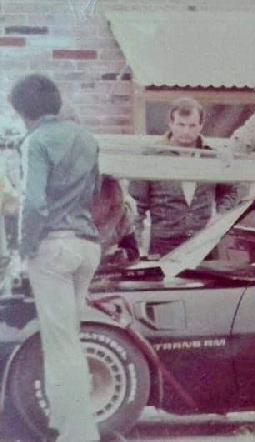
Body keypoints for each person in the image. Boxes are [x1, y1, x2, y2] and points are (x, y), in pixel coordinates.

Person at [9, 73, 101, 441]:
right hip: (86, 244)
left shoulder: (35, 141)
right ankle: (66, 422)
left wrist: (23, 248)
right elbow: (94, 191)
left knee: (60, 343)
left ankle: (78, 433)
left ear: (21, 112)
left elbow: (32, 202)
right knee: (71, 338)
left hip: (53, 247)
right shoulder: (87, 137)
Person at [129, 97, 239, 257]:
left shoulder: (213, 156)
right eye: (181, 124)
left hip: (203, 244)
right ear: (171, 123)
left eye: (192, 125)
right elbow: (136, 204)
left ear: (201, 125)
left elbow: (231, 190)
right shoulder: (152, 155)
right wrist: (137, 246)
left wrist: (220, 218)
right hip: (164, 245)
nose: (186, 131)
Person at [91, 175, 139, 267]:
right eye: (107, 200)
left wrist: (124, 254)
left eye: (117, 205)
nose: (114, 211)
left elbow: (133, 251)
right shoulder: (79, 216)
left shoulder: (125, 214)